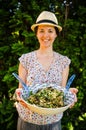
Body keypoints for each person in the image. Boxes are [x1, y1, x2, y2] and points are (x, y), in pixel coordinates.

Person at [15, 11, 78, 130]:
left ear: (56, 34)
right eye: (41, 31)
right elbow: (21, 90)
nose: (46, 36)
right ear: (37, 34)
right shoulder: (26, 59)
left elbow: (62, 93)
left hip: (53, 123)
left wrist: (70, 95)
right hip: (27, 121)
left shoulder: (64, 62)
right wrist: (19, 96)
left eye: (50, 31)